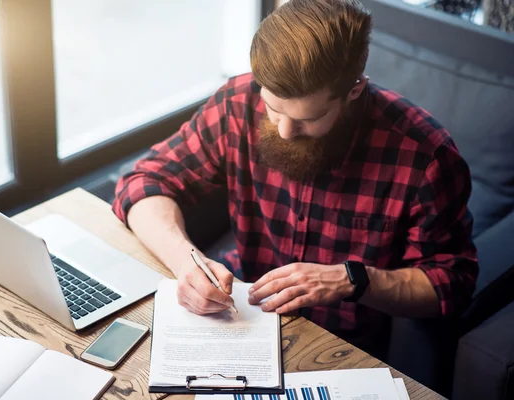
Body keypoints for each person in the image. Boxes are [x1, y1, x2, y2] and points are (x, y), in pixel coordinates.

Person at [112, 0, 478, 355]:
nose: (285, 131)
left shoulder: (425, 155)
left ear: (353, 90)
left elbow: (451, 283)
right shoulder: (237, 102)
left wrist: (352, 279)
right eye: (273, 108)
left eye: (307, 119)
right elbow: (143, 181)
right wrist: (185, 260)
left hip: (341, 345)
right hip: (240, 314)